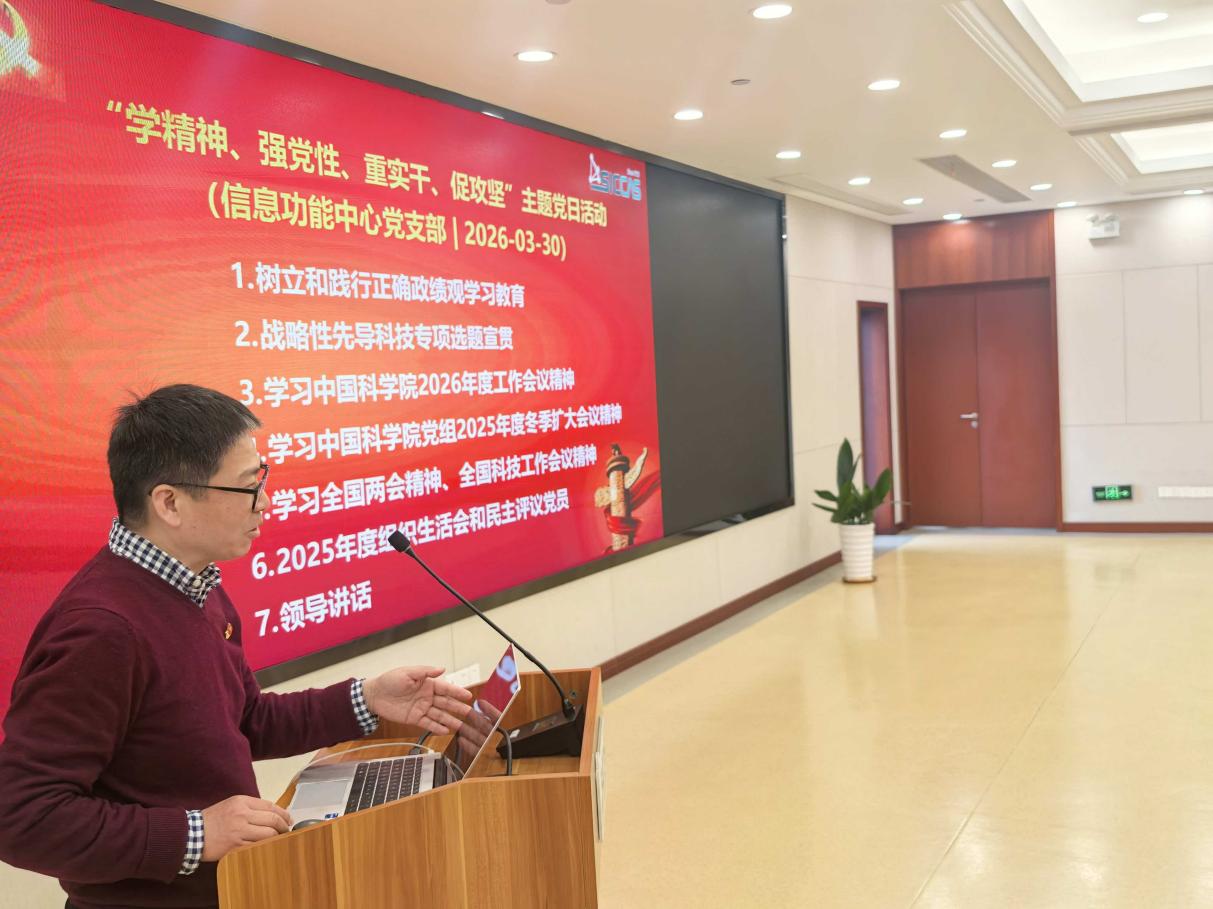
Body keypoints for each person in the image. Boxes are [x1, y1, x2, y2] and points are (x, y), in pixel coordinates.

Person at [0, 384, 474, 909]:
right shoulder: (102, 630)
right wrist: (195, 835)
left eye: (262, 480)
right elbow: (22, 817)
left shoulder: (195, 585)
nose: (264, 503)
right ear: (170, 502)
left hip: (239, 888)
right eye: (248, 487)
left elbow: (245, 720)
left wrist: (366, 699)